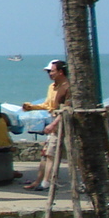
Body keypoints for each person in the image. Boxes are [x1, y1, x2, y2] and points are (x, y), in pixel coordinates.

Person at [23, 60, 71, 189]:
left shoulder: (68, 87)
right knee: (47, 154)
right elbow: (48, 105)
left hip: (64, 124)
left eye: (51, 71)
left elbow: (66, 109)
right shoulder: (52, 87)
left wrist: (53, 124)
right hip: (54, 122)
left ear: (60, 72)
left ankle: (47, 182)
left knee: (57, 154)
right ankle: (41, 182)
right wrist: (32, 107)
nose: (49, 74)